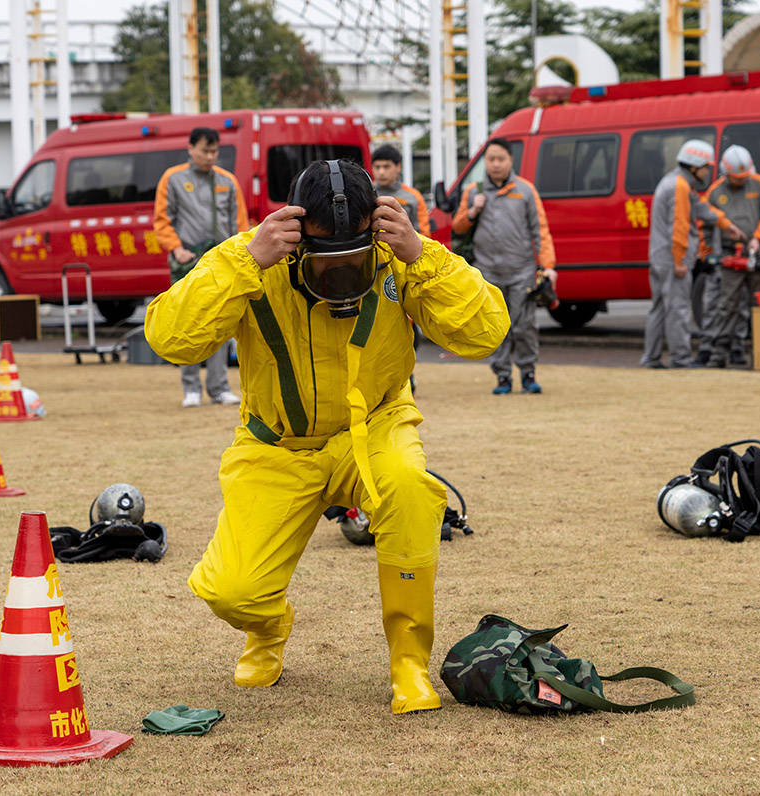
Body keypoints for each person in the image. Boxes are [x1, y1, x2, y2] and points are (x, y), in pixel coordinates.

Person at [144, 159, 509, 714]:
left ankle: (408, 663)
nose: (343, 271)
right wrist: (242, 260)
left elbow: (485, 332)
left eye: (354, 256)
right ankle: (268, 629)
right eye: (325, 257)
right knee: (231, 590)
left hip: (376, 427)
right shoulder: (255, 257)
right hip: (277, 445)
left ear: (375, 226)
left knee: (410, 487)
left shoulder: (398, 254)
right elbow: (171, 340)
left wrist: (424, 254)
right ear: (295, 235)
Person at [452, 137, 555, 395]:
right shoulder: (474, 191)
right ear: (484, 162)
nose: (496, 164)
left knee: (524, 325)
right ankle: (502, 378)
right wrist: (473, 211)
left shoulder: (526, 190)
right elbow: (458, 226)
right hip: (488, 271)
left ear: (511, 161)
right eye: (491, 159)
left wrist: (548, 265)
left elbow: (540, 230)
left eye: (501, 159)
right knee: (495, 327)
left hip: (522, 270)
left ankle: (528, 375)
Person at [154, 126, 248, 407]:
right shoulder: (173, 178)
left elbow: (239, 223)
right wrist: (177, 248)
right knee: (188, 321)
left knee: (221, 320)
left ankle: (219, 388)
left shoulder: (227, 181)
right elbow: (162, 219)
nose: (210, 156)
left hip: (221, 261)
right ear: (191, 148)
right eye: (205, 150)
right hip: (188, 262)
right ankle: (191, 388)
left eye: (215, 151)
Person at [640, 139, 745, 369]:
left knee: (659, 307)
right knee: (677, 308)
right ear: (694, 166)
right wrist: (679, 260)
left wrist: (726, 225)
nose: (708, 171)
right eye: (706, 167)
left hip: (660, 256)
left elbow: (701, 209)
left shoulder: (677, 183)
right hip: (671, 258)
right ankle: (681, 358)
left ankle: (651, 357)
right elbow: (678, 228)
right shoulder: (678, 187)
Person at [699, 145, 760, 368]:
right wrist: (705, 254)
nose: (741, 181)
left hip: (758, 255)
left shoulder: (759, 183)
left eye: (744, 177)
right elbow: (703, 224)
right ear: (726, 174)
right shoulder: (715, 192)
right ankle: (718, 355)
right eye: (736, 178)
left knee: (759, 306)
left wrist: (759, 238)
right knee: (727, 305)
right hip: (729, 258)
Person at [370, 144, 430, 233]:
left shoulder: (413, 196)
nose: (381, 172)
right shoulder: (365, 193)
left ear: (398, 167)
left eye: (386, 167)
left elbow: (423, 233)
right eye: (377, 167)